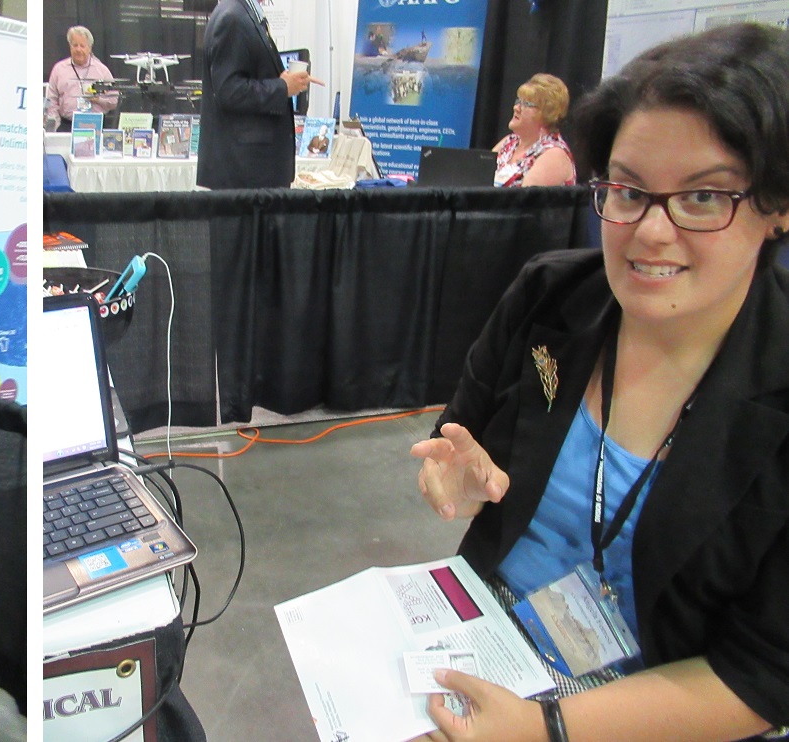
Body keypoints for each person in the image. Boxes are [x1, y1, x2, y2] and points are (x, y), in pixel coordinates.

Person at [410, 23, 789, 741]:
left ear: (776, 208)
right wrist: (452, 480)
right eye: (627, 190)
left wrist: (546, 729)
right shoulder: (551, 300)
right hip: (488, 658)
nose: (649, 231)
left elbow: (762, 673)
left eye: (704, 198)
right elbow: (457, 445)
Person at [196, 0, 318, 189]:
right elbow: (229, 91)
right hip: (246, 173)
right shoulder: (233, 19)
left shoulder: (244, 15)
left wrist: (282, 80)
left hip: (252, 171)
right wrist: (282, 87)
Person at [492, 73, 576, 187]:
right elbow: (476, 179)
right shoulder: (508, 143)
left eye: (526, 104)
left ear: (546, 113)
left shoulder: (554, 154)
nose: (516, 108)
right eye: (518, 101)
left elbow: (523, 200)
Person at [45, 26, 118, 133]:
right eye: (75, 45)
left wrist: (98, 100)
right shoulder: (59, 69)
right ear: (70, 47)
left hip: (95, 127)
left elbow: (114, 100)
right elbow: (51, 101)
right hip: (67, 127)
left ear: (89, 48)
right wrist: (56, 126)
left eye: (82, 46)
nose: (78, 49)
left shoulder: (102, 70)